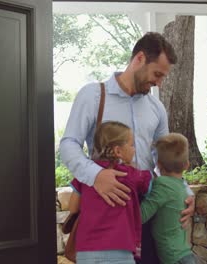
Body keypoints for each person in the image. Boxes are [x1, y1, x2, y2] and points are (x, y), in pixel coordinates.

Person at [59, 32, 195, 263]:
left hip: (150, 211)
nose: (159, 83)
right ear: (139, 59)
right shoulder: (93, 95)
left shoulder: (156, 107)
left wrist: (185, 191)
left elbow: (165, 157)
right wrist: (97, 175)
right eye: (157, 74)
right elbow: (68, 144)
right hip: (108, 212)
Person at [70, 121, 152, 264]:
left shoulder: (86, 174)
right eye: (132, 145)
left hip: (86, 251)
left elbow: (73, 207)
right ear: (118, 151)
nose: (134, 149)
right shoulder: (131, 175)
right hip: (119, 250)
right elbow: (150, 186)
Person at [141, 133, 197, 264]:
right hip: (184, 254)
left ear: (158, 165)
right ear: (187, 165)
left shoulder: (162, 185)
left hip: (173, 258)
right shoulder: (181, 186)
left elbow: (141, 215)